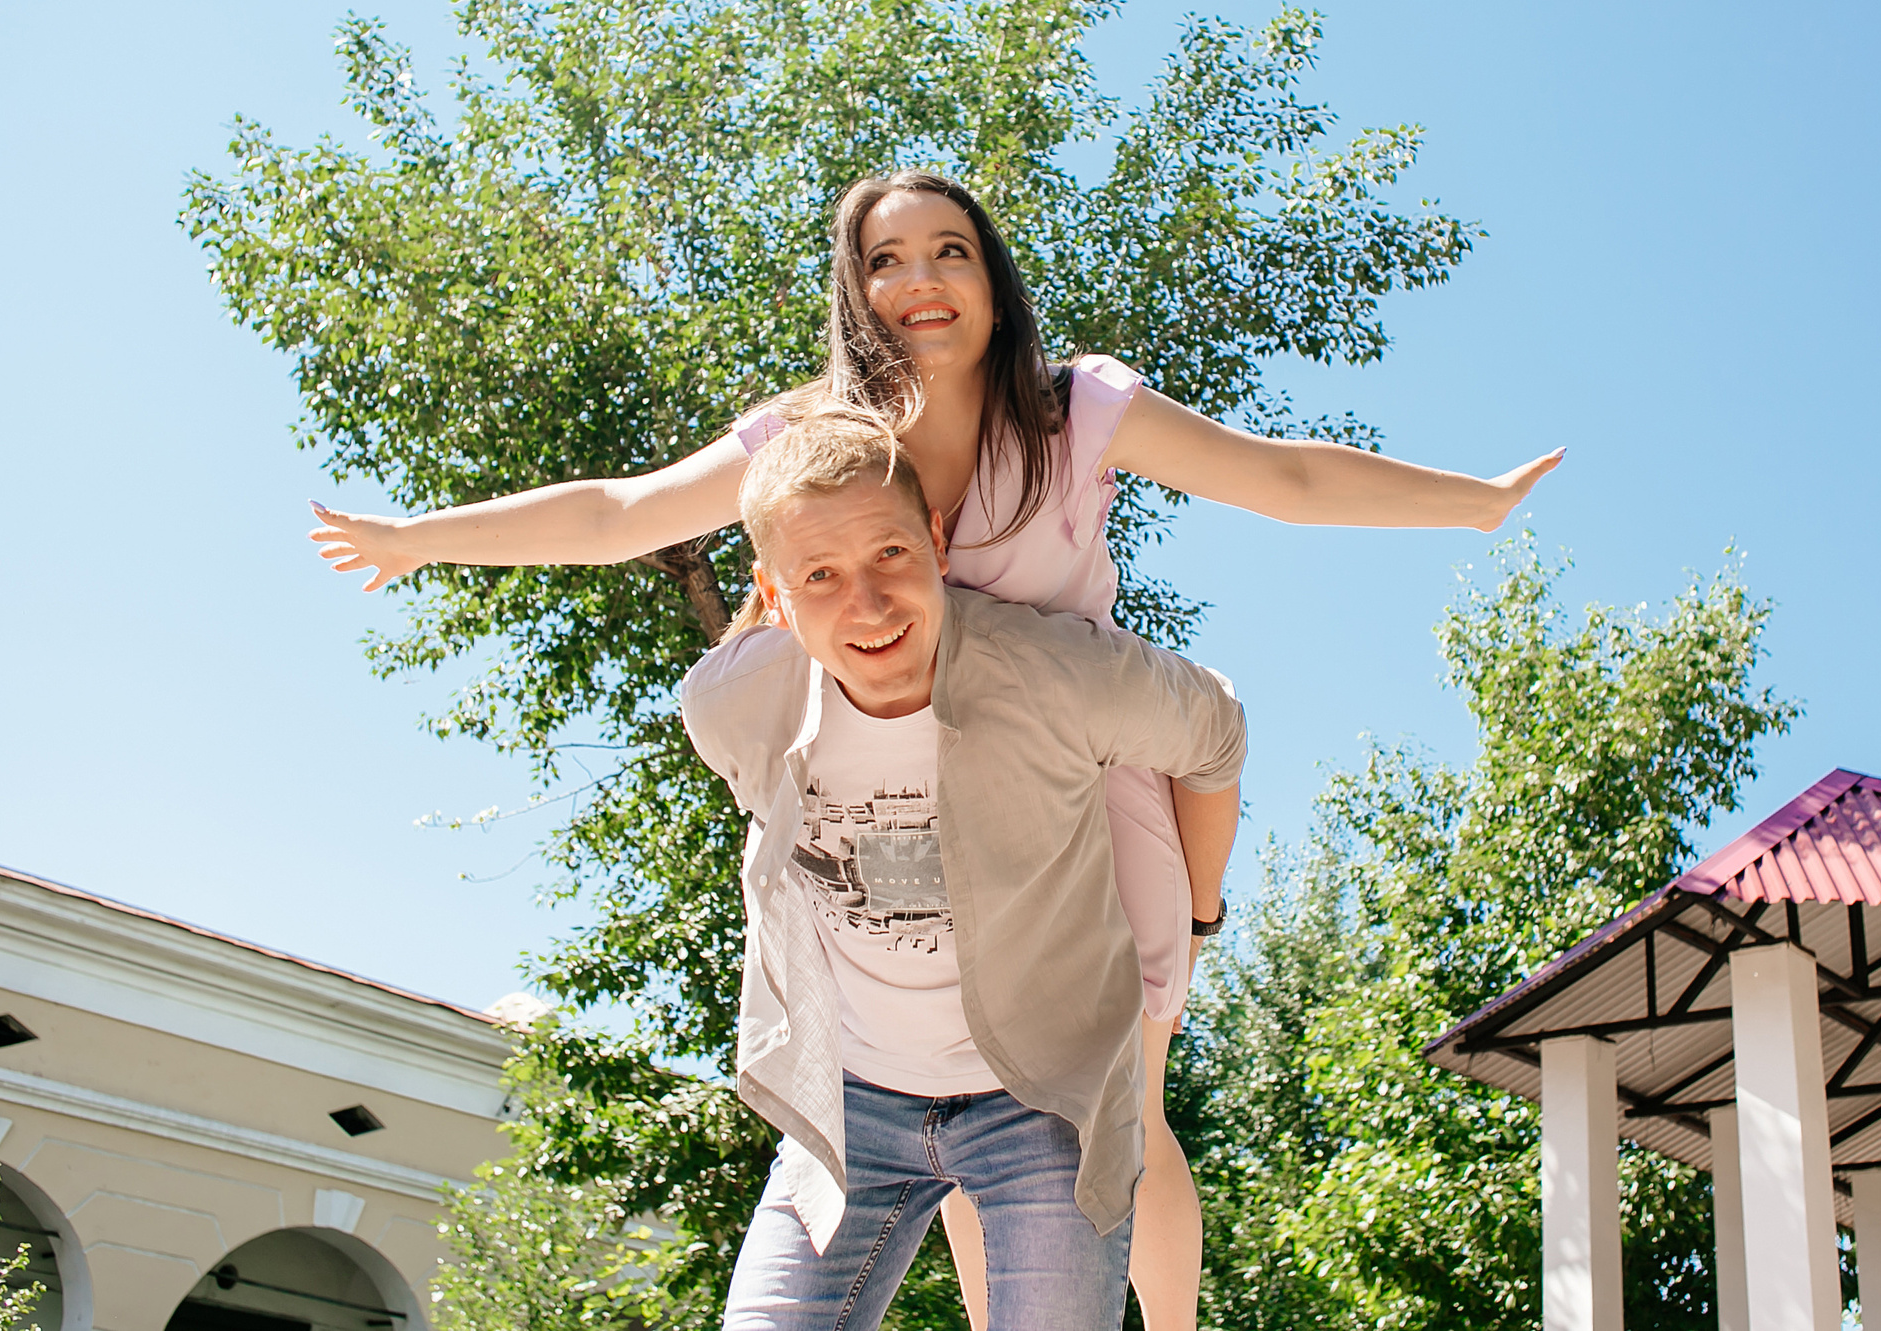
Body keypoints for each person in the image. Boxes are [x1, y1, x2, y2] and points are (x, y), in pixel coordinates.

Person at [309, 168, 1563, 1329]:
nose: (920, 280)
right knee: (956, 1106)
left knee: (1109, 1090)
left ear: (992, 278)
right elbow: (627, 511)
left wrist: (1478, 498)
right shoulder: (815, 438)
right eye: (887, 260)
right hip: (891, 799)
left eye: (950, 251)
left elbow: (1280, 479)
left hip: (1065, 790)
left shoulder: (1073, 411)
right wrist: (423, 536)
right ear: (855, 294)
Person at [686, 407, 1247, 1329]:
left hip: (1041, 1101)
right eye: (820, 575)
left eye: (891, 556)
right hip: (853, 1106)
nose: (867, 605)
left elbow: (1217, 732)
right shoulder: (734, 703)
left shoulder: (1055, 677)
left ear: (937, 539)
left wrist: (1200, 913)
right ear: (775, 598)